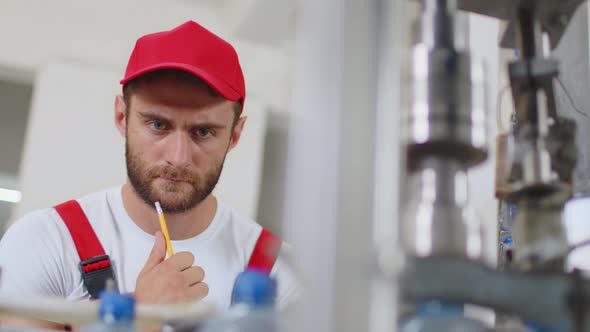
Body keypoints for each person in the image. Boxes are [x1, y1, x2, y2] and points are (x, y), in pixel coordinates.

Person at [0, 20, 299, 327]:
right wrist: (142, 317)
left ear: (235, 135)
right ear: (121, 116)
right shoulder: (44, 243)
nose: (178, 157)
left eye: (204, 131)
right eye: (158, 125)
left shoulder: (281, 273)